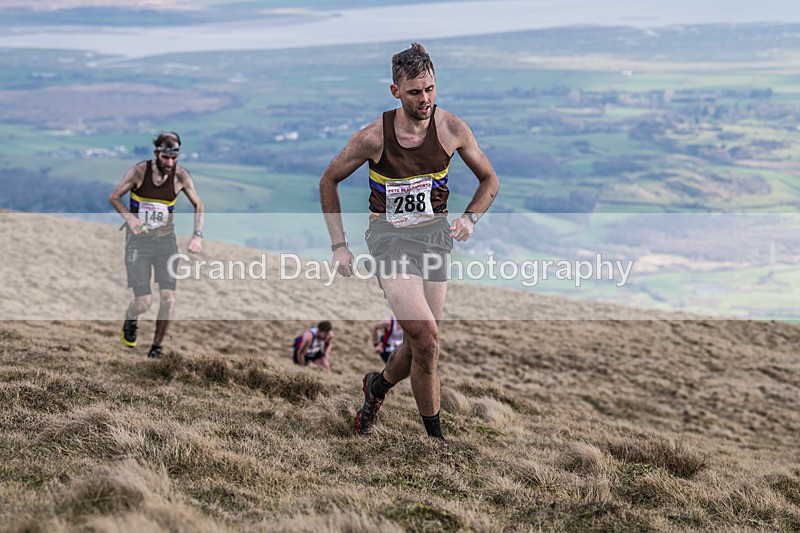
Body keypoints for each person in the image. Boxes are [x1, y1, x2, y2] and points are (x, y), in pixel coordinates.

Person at [319, 43, 499, 438]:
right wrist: (339, 245)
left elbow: (490, 179)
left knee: (424, 343)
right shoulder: (373, 137)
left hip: (434, 238)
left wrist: (470, 218)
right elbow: (328, 180)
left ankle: (377, 386)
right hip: (390, 241)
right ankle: (436, 439)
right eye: (415, 91)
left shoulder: (452, 129)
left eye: (431, 89)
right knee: (427, 338)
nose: (425, 99)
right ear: (395, 91)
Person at [109, 132, 204, 359]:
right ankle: (131, 317)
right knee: (144, 302)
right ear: (156, 154)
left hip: (166, 243)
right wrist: (130, 219)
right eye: (165, 158)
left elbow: (199, 204)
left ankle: (156, 348)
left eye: (174, 158)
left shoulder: (181, 177)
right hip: (139, 243)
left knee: (169, 299)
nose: (170, 163)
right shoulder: (139, 171)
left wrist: (197, 235)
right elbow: (114, 197)